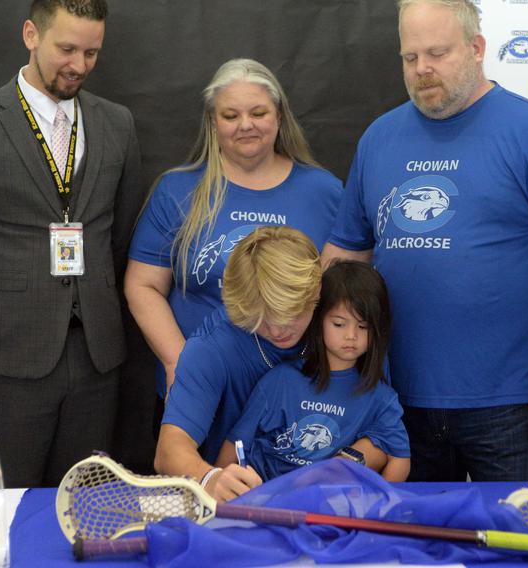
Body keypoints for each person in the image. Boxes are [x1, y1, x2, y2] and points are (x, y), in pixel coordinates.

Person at [323, 0, 528, 482]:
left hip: (505, 405)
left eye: (437, 53)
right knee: (413, 553)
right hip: (393, 399)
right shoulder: (379, 138)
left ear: (477, 48)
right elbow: (346, 252)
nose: (422, 70)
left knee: (511, 548)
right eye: (410, 58)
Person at [0, 0, 144, 487]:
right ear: (31, 34)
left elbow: (120, 237)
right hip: (5, 355)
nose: (78, 65)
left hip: (97, 355)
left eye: (91, 52)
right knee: (5, 505)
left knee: (80, 506)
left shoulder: (118, 124)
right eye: (66, 48)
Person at [125, 58, 342, 424]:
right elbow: (142, 285)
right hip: (202, 394)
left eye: (258, 112)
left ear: (279, 116)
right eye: (230, 115)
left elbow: (340, 295)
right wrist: (182, 365)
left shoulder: (324, 192)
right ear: (212, 122)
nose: (246, 125)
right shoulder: (177, 191)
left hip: (297, 396)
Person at [156, 227, 389, 503]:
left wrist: (345, 463)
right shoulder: (211, 347)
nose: (278, 329)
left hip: (330, 501)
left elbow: (387, 427)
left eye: (293, 314)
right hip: (241, 500)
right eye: (260, 316)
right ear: (237, 305)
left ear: (316, 292)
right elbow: (169, 449)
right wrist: (209, 478)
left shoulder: (345, 327)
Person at [217, 261, 410, 482]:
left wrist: (380, 506)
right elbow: (236, 444)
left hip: (329, 505)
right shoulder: (281, 380)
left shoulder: (381, 398)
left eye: (363, 327)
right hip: (265, 497)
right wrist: (217, 499)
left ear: (378, 329)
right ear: (318, 320)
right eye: (339, 324)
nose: (351, 336)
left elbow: (400, 457)